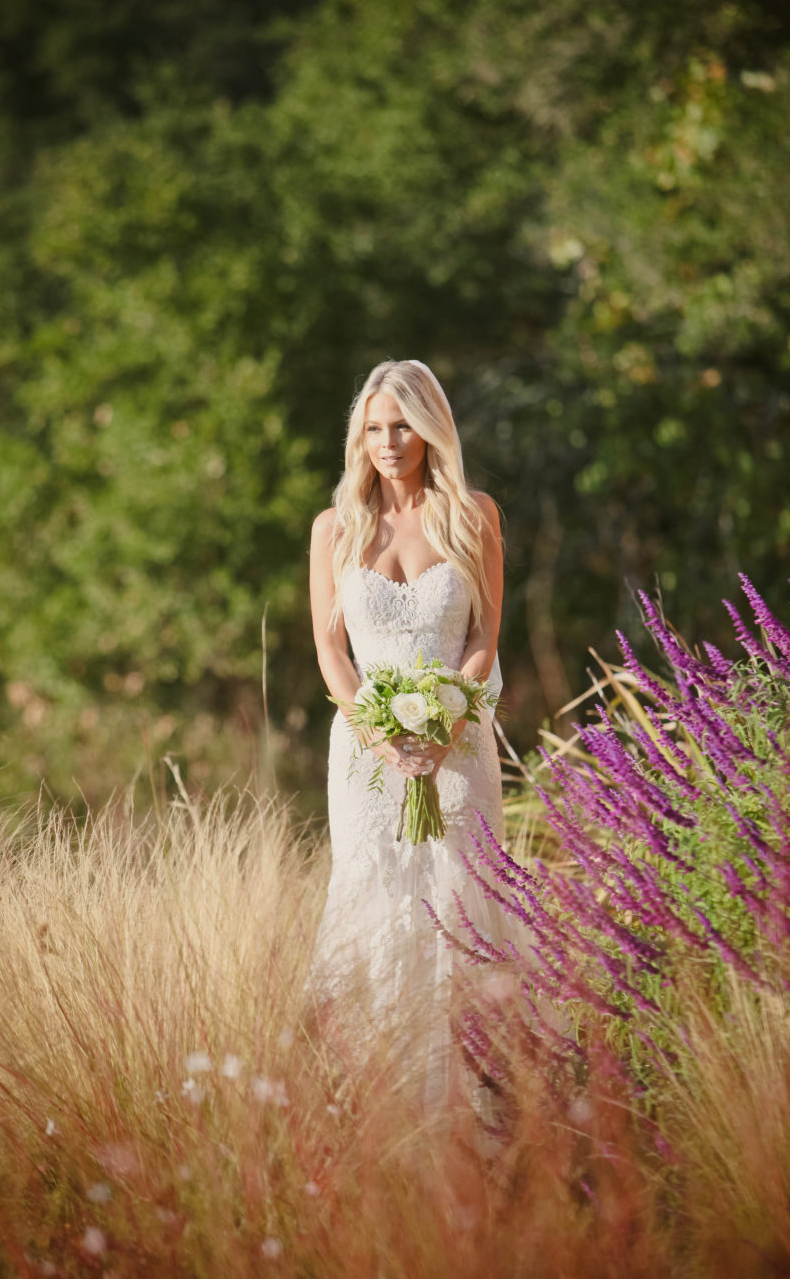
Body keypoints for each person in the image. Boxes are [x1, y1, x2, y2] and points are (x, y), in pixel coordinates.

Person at [308, 358, 506, 1096]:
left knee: (459, 898)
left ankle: (475, 1095)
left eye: (402, 427)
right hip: (366, 756)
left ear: (429, 432)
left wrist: (449, 720)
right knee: (374, 892)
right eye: (373, 429)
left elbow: (485, 638)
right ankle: (373, 1095)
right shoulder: (335, 527)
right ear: (358, 437)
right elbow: (330, 648)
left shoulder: (472, 515)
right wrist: (378, 734)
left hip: (457, 749)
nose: (387, 442)